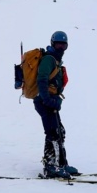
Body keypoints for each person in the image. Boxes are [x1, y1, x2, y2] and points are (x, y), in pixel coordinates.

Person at [33, 31, 78, 179]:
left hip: (51, 101)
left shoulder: (56, 60)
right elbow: (42, 79)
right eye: (58, 44)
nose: (61, 48)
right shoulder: (49, 59)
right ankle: (51, 166)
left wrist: (55, 99)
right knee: (52, 132)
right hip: (44, 101)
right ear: (53, 43)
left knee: (59, 131)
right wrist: (47, 99)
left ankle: (61, 163)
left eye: (63, 45)